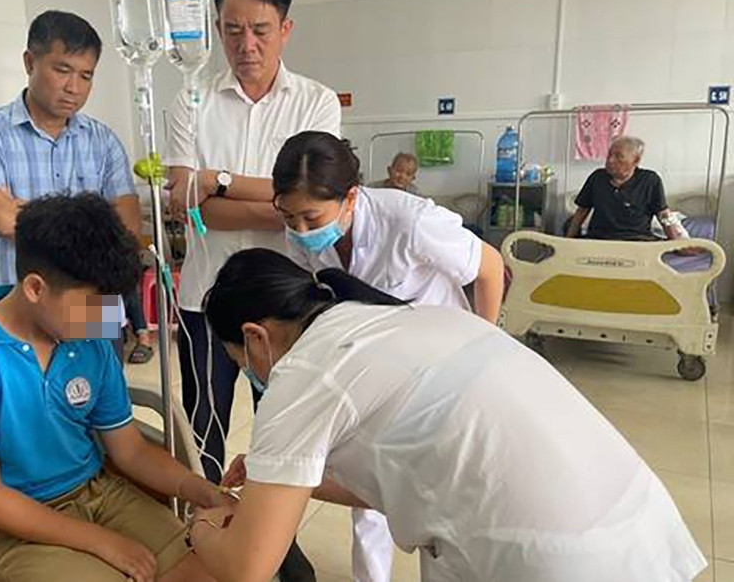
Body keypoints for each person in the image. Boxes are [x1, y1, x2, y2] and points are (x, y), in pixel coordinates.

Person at [185, 248, 707, 582]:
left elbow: (248, 568)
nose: (252, 374)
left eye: (240, 362)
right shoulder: (411, 319)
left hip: (549, 560)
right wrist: (288, 481)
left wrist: (202, 527)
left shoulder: (302, 374)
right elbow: (409, 480)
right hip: (637, 525)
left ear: (255, 336)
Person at [0, 193, 224, 582]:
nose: (106, 319)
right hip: (0, 524)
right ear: (35, 288)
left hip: (95, 491)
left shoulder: (90, 335)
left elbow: (130, 450)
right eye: (91, 306)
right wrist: (101, 542)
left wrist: (200, 490)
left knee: (206, 568)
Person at [165, 0, 340, 578]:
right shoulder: (190, 99)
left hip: (286, 306)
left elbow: (310, 201)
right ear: (216, 28)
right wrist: (271, 199)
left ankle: (275, 547)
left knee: (283, 434)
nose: (246, 45)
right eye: (232, 29)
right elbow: (183, 199)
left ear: (285, 28)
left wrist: (217, 181)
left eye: (260, 30)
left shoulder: (315, 101)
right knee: (204, 428)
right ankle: (209, 534)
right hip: (204, 300)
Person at [272, 131, 504, 582]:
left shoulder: (410, 221)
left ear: (350, 197)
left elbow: (490, 268)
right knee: (368, 482)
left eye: (311, 217)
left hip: (445, 361)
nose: (300, 231)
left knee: (446, 491)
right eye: (289, 217)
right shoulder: (299, 237)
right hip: (375, 364)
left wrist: (487, 349)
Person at [0, 10, 140, 361]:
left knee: (102, 391)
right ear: (30, 62)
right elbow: (4, 220)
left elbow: (129, 228)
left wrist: (28, 213)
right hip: (19, 305)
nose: (74, 87)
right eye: (62, 70)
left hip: (94, 306)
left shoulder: (104, 141)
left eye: (86, 76)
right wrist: (93, 225)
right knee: (25, 393)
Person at [566, 136, 684, 241]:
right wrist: (568, 240)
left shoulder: (650, 180)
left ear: (636, 160)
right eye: (609, 155)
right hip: (600, 240)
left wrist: (677, 243)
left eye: (619, 157)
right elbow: (581, 211)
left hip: (637, 241)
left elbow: (663, 214)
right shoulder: (597, 178)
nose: (610, 160)